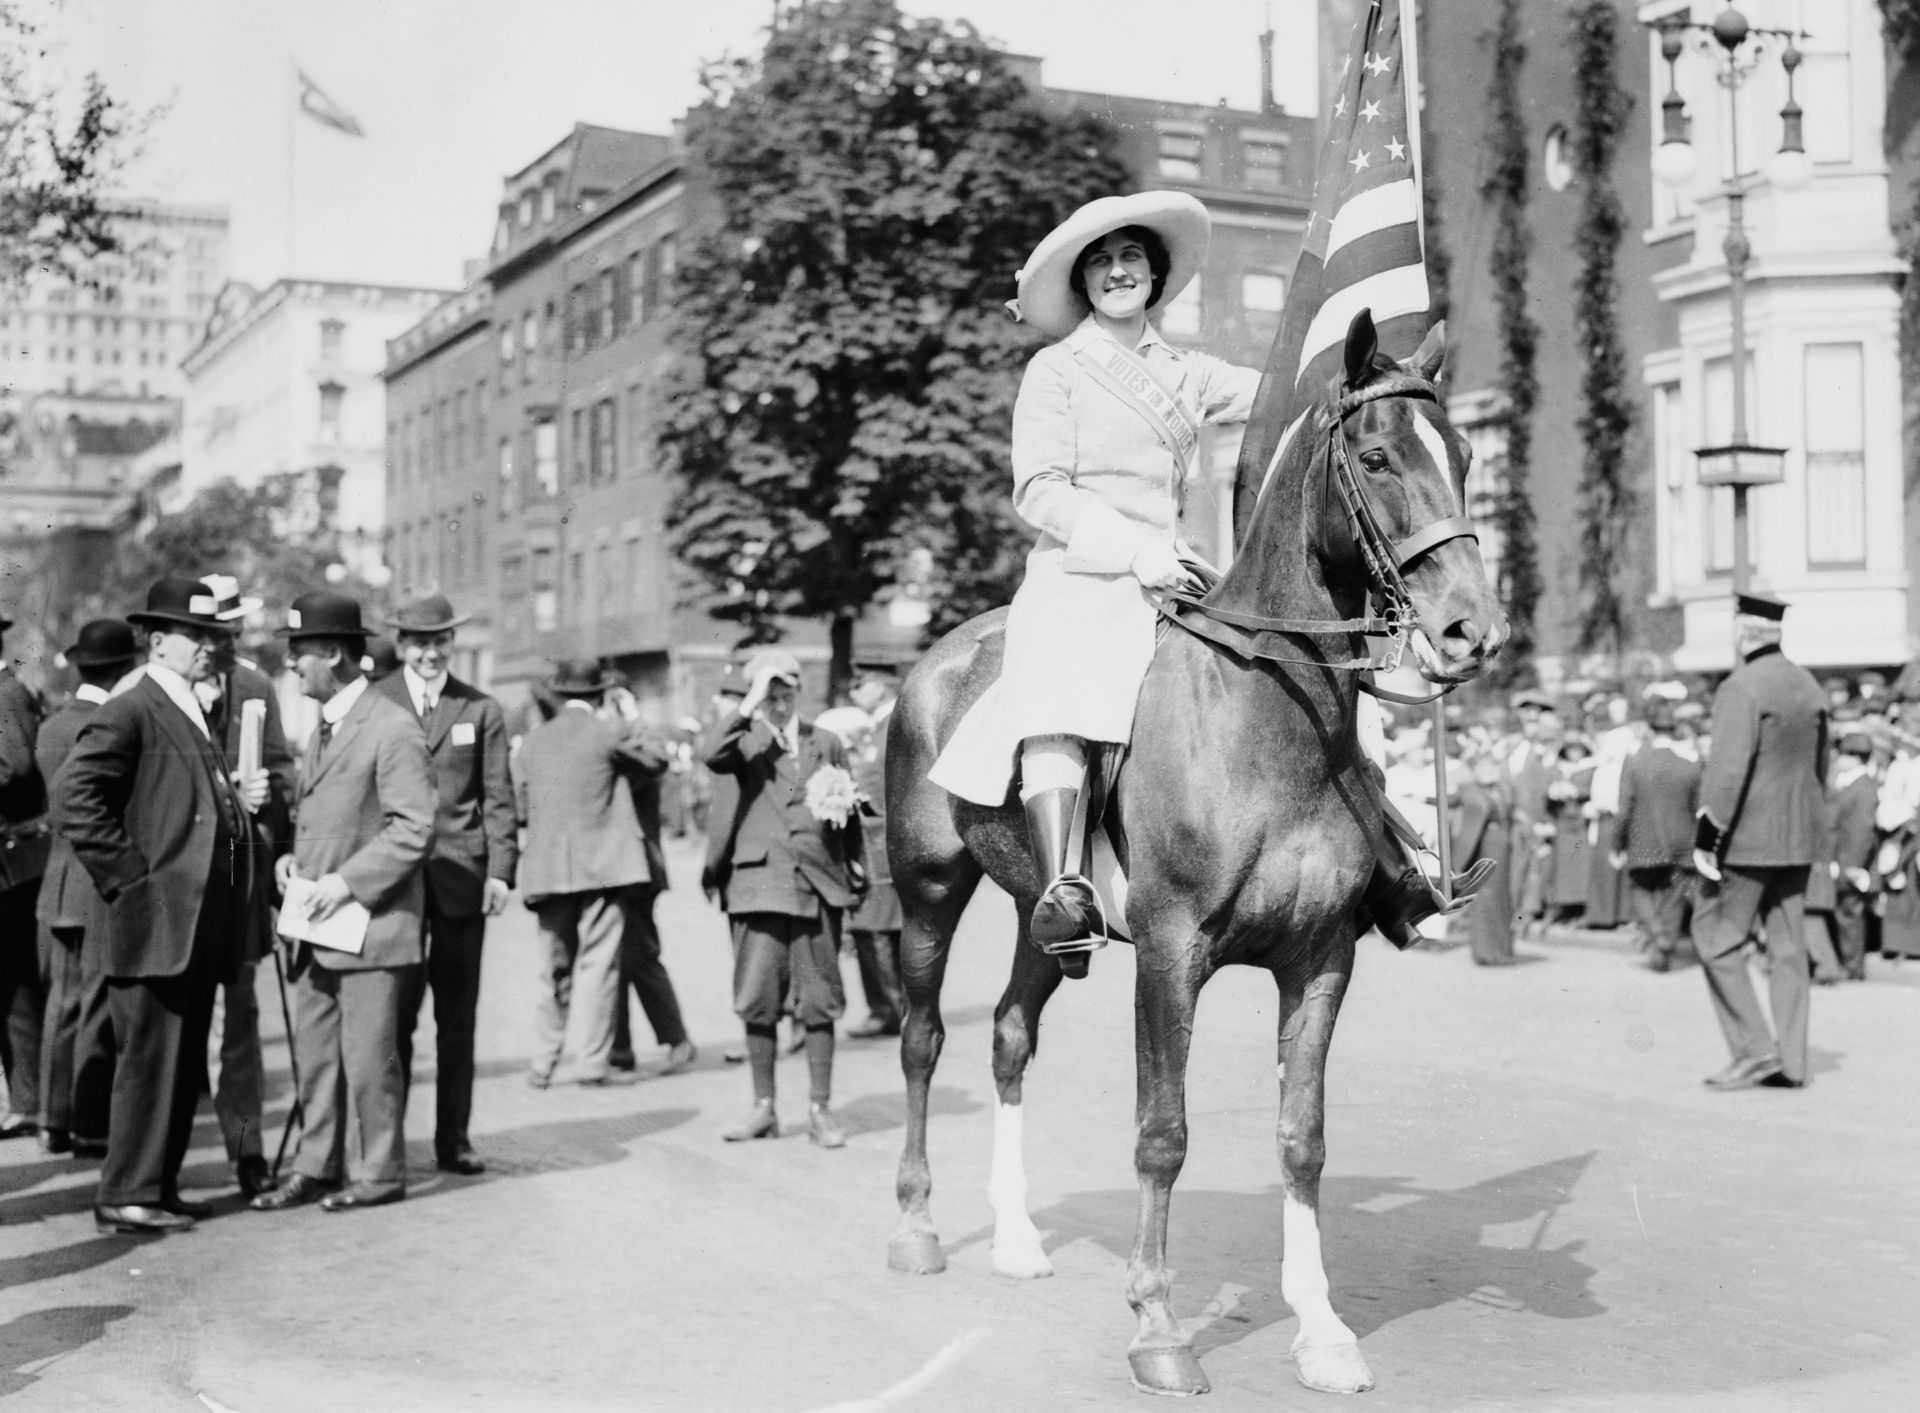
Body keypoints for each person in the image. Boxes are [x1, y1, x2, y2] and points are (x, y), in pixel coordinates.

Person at [926, 193, 1263, 958]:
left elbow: (1278, 394)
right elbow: (1038, 488)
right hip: (1082, 571)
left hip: (1173, 572)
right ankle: (1062, 887)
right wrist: (1129, 547)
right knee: (1063, 695)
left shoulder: (1189, 373)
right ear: (1085, 283)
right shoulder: (1057, 369)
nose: (1119, 272)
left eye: (1132, 258)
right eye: (1102, 262)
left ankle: (1387, 858)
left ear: (1156, 274)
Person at [54, 578, 257, 1233]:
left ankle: (157, 1185)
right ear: (159, 640)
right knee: (146, 1062)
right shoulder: (134, 704)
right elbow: (76, 797)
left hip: (190, 925)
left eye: (213, 635)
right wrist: (132, 882)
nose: (208, 647)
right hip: (152, 921)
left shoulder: (184, 703)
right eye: (196, 636)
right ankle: (127, 1190)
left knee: (176, 1058)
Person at [253, 591, 435, 1213]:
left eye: (298, 653)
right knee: (318, 1056)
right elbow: (324, 817)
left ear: (333, 653)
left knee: (368, 1060)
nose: (292, 666)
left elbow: (413, 828)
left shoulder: (391, 727)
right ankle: (317, 1165)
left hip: (370, 925)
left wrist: (345, 883)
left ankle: (380, 1171)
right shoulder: (326, 725)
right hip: (319, 924)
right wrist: (293, 862)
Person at [373, 593, 519, 1176]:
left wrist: (502, 871)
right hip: (396, 883)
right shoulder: (376, 702)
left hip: (462, 882)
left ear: (450, 645)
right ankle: (388, 1142)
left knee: (457, 1018)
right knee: (394, 1015)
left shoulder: (480, 708)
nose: (430, 653)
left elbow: (499, 797)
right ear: (401, 644)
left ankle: (453, 1138)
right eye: (418, 642)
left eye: (439, 642)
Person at [704, 649, 866, 1147]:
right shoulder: (745, 740)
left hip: (818, 883)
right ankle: (763, 1108)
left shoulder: (825, 741)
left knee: (820, 1001)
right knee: (757, 999)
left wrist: (855, 872)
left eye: (785, 693)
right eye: (769, 695)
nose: (778, 703)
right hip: (759, 886)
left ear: (799, 692)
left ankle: (820, 1110)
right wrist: (748, 703)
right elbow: (712, 753)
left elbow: (849, 813)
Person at [1690, 592, 1827, 1091]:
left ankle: (1755, 1052)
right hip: (1799, 837)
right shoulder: (1809, 685)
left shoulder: (1741, 687)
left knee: (1715, 939)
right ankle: (1792, 1062)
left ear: (1744, 632)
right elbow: (1821, 768)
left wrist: (1708, 836)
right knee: (1789, 950)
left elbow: (1728, 769)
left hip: (1747, 842)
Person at [514, 659, 665, 1088]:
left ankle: (543, 1063)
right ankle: (593, 1064)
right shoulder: (609, 731)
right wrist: (632, 714)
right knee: (599, 967)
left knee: (553, 969)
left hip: (547, 869)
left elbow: (521, 806)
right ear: (601, 694)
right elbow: (657, 759)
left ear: (558, 695)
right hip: (603, 867)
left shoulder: (532, 741)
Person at [196, 575, 296, 1199]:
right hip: (179, 888)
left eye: (231, 629)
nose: (223, 642)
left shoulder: (256, 686)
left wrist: (272, 817)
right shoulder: (155, 692)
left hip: (239, 882)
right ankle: (155, 1167)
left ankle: (245, 1151)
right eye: (212, 631)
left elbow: (281, 770)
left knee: (238, 1023)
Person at [33, 620, 138, 1157]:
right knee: (94, 1005)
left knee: (63, 1003)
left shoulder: (53, 724)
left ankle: (56, 1116)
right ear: (122, 669)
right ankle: (86, 1121)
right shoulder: (110, 724)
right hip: (91, 883)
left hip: (55, 882)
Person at [602, 679, 697, 1079]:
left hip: (638, 869)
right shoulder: (601, 745)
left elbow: (656, 756)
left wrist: (632, 717)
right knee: (613, 959)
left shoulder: (633, 746)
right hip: (607, 867)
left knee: (639, 955)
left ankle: (676, 1039)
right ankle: (620, 1048)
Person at [0, 606, 49, 1140]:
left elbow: (13, 767)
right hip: (15, 859)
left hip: (12, 862)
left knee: (14, 982)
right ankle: (28, 1099)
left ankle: (30, 1100)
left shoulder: (3, 694)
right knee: (14, 986)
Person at [1610, 700, 1701, 973]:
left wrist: (1617, 844)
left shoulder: (1635, 764)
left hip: (1644, 841)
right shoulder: (1690, 766)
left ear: (1649, 729)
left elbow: (1623, 809)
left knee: (1640, 890)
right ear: (1674, 731)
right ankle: (1666, 944)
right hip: (1682, 845)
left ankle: (1657, 933)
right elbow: (1697, 810)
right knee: (1673, 895)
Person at [844, 667, 905, 1038]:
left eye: (860, 685)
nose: (853, 693)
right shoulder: (876, 727)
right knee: (877, 925)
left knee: (875, 925)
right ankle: (891, 1006)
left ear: (880, 686)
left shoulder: (894, 725)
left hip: (881, 841)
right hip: (873, 841)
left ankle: (888, 1009)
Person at [1826, 728, 1878, 982]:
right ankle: (1849, 963)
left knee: (1850, 915)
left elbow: (1861, 831)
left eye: (1844, 754)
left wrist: (1852, 865)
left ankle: (1853, 965)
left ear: (1855, 757)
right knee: (1845, 914)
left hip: (1849, 860)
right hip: (1841, 858)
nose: (1839, 759)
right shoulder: (1852, 783)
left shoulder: (1863, 787)